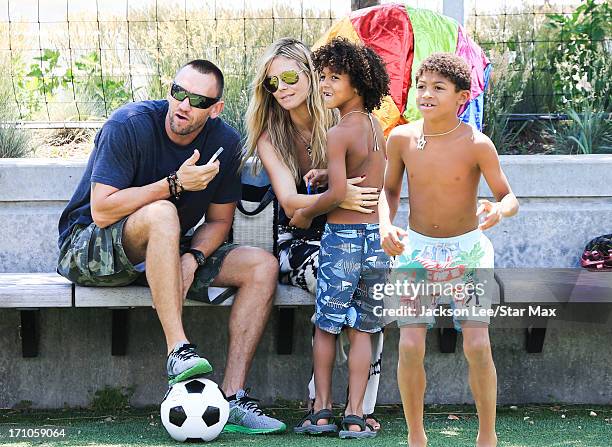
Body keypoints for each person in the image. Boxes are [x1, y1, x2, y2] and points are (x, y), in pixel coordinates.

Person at [57, 60, 286, 435]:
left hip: (166, 249)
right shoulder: (128, 125)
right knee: (163, 211)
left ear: (216, 109)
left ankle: (233, 397)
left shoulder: (224, 145)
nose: (183, 105)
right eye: (178, 92)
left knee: (262, 266)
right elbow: (101, 211)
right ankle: (178, 350)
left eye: (197, 100)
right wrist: (174, 184)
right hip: (88, 247)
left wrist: (193, 259)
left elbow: (218, 222)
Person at [243, 37, 385, 431]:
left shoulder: (340, 122)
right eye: (272, 83)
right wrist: (337, 195)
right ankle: (320, 400)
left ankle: (360, 407)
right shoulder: (270, 136)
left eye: (290, 76)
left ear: (310, 74)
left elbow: (372, 191)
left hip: (350, 231)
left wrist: (326, 201)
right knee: (336, 282)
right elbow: (291, 207)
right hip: (297, 243)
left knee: (372, 296)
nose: (282, 88)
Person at [379, 53, 519, 447]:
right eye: (421, 86)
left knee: (476, 344)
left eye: (438, 88)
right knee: (409, 345)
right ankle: (416, 437)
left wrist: (499, 209)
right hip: (415, 251)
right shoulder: (401, 138)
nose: (426, 94)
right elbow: (388, 191)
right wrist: (386, 224)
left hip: (469, 252)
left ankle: (487, 436)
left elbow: (508, 196)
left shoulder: (477, 144)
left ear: (461, 97)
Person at [288, 37, 390, 438]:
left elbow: (334, 197)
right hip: (375, 241)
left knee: (327, 326)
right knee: (363, 328)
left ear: (358, 84)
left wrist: (304, 212)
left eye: (334, 78)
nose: (325, 84)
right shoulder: (377, 129)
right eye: (322, 76)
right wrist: (328, 174)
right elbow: (359, 175)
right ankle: (356, 414)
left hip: (342, 240)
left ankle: (322, 410)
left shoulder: (335, 134)